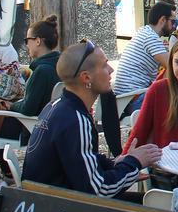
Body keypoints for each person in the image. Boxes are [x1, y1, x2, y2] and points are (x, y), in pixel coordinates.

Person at [23, 40, 161, 197]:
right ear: (86, 77)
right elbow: (98, 191)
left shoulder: (57, 106)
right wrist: (134, 163)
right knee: (154, 206)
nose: (111, 69)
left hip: (40, 206)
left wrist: (118, 163)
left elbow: (81, 161)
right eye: (104, 65)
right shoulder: (75, 119)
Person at [123, 34, 178, 151]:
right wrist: (124, 161)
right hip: (163, 164)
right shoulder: (158, 89)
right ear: (171, 62)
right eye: (177, 62)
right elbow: (139, 132)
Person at [0, 14, 61, 142]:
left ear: (38, 41)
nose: (26, 45)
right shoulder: (60, 66)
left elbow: (27, 109)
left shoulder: (41, 71)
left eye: (27, 40)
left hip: (30, 129)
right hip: (48, 126)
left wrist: (9, 105)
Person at [113, 1, 175, 109]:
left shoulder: (144, 32)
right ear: (163, 20)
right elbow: (173, 66)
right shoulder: (151, 38)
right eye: (173, 21)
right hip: (133, 100)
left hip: (125, 99)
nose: (174, 25)